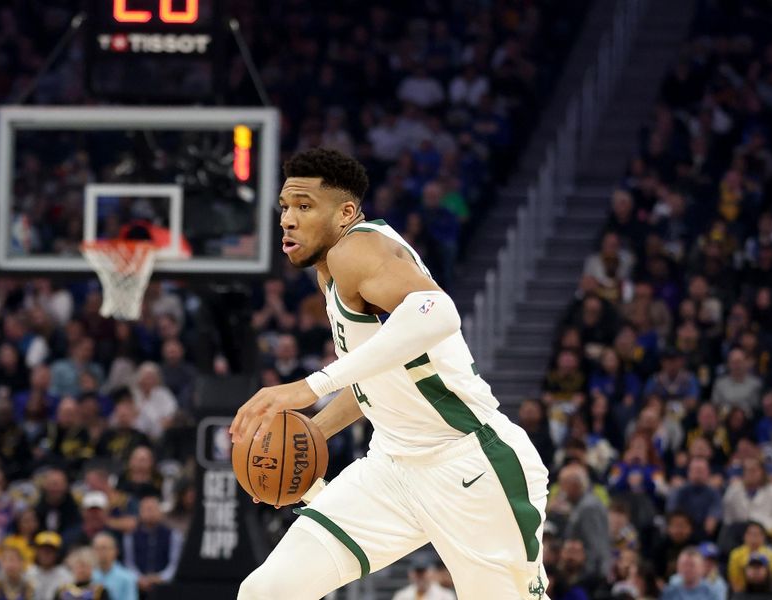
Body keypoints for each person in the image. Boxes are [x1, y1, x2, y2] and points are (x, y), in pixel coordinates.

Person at [231, 149, 549, 599]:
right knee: (267, 590)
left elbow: (438, 311)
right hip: (392, 468)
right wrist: (310, 435)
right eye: (285, 206)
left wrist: (309, 387)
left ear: (345, 213)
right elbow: (377, 377)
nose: (287, 219)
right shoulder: (330, 272)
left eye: (304, 206)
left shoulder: (357, 249)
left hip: (471, 466)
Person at [26, 531, 73, 600]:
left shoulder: (66, 575)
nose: (46, 554)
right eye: (42, 550)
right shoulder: (29, 573)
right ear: (37, 552)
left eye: (50, 551)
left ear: (57, 553)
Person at [91, 533, 137, 600]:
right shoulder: (89, 575)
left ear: (115, 551)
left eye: (104, 548)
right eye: (96, 548)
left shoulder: (127, 577)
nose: (100, 552)